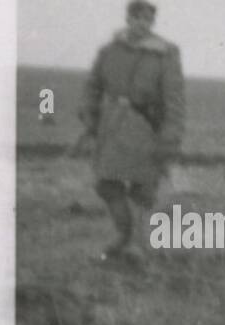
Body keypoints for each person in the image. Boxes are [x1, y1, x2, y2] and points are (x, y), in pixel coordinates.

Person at [76, 1, 185, 267]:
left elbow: (175, 99)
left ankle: (133, 246)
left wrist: (170, 137)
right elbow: (92, 85)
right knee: (105, 183)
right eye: (137, 18)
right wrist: (89, 115)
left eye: (148, 20)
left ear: (152, 23)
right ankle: (125, 236)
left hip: (146, 126)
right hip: (111, 124)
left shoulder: (166, 54)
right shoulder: (109, 50)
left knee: (144, 187)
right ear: (128, 19)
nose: (142, 24)